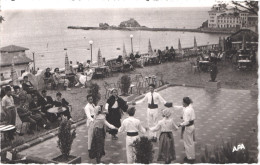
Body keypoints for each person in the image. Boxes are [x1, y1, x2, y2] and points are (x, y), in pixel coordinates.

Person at [173, 97, 196, 163]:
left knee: (187, 143)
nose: (182, 103)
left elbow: (186, 122)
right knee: (191, 142)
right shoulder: (190, 107)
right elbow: (190, 118)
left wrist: (179, 125)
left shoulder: (186, 110)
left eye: (183, 102)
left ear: (185, 103)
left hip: (188, 127)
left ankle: (189, 158)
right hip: (192, 126)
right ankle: (192, 156)